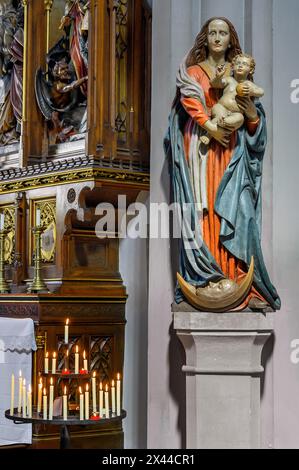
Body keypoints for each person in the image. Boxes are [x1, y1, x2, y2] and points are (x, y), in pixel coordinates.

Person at [165, 17, 280, 311]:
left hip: (233, 157)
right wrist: (209, 126)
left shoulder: (240, 74)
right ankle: (206, 277)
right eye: (213, 32)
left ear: (231, 39)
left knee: (239, 211)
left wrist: (251, 113)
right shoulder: (193, 72)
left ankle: (239, 277)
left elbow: (256, 127)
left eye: (223, 33)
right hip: (201, 157)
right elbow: (183, 113)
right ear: (206, 37)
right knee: (203, 214)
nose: (217, 37)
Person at [201, 53, 264, 144]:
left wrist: (252, 91)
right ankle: (209, 134)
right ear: (233, 66)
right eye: (238, 63)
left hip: (235, 113)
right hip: (221, 107)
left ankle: (224, 122)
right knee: (218, 116)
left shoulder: (248, 85)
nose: (240, 66)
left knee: (240, 118)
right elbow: (215, 84)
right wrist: (218, 76)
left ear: (250, 70)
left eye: (244, 64)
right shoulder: (229, 80)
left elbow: (261, 92)